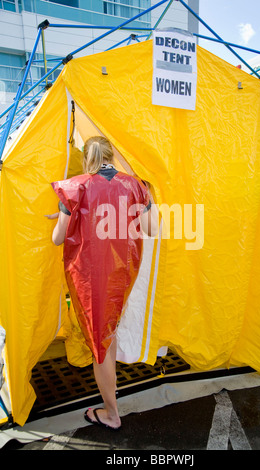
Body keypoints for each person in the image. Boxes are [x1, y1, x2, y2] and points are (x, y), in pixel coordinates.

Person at [46, 136, 158, 430]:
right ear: (111, 156)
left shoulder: (75, 187)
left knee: (101, 344)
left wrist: (62, 215)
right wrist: (148, 199)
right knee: (108, 334)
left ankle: (111, 414)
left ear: (87, 159)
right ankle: (111, 400)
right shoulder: (135, 186)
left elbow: (58, 238)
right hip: (121, 274)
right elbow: (151, 229)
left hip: (90, 278)